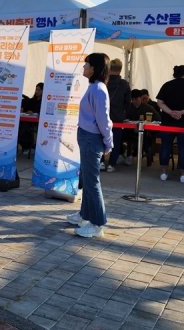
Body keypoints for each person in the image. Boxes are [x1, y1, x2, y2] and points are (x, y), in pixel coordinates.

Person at [65, 53, 113, 239]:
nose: (83, 67)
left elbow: (104, 120)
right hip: (86, 136)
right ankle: (85, 215)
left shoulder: (99, 90)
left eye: (86, 64)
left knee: (92, 183)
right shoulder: (93, 87)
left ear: (94, 68)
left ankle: (98, 223)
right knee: (86, 178)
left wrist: (109, 143)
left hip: (92, 139)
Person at [156, 65, 184, 183]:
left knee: (165, 146)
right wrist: (181, 112)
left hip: (167, 122)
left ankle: (163, 173)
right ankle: (183, 175)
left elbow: (160, 102)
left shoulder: (167, 85)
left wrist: (171, 112)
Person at [122, 89, 161, 166]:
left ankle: (137, 155)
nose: (134, 101)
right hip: (130, 131)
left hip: (146, 132)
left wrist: (147, 122)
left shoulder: (148, 107)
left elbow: (158, 119)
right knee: (120, 135)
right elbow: (123, 118)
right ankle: (126, 155)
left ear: (140, 98)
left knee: (146, 140)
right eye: (132, 99)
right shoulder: (129, 107)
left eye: (136, 99)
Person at [105, 58, 131, 171]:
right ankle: (111, 164)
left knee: (100, 139)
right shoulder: (124, 84)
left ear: (109, 68)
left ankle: (100, 162)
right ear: (120, 69)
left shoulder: (104, 81)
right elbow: (128, 102)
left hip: (103, 115)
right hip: (117, 118)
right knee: (115, 141)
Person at [18, 82, 43, 152]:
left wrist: (34, 113)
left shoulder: (43, 102)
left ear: (43, 91)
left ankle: (25, 146)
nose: (37, 91)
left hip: (36, 123)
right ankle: (22, 145)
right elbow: (26, 108)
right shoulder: (32, 100)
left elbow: (40, 113)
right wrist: (24, 110)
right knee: (20, 125)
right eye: (36, 89)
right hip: (27, 120)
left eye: (39, 90)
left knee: (24, 126)